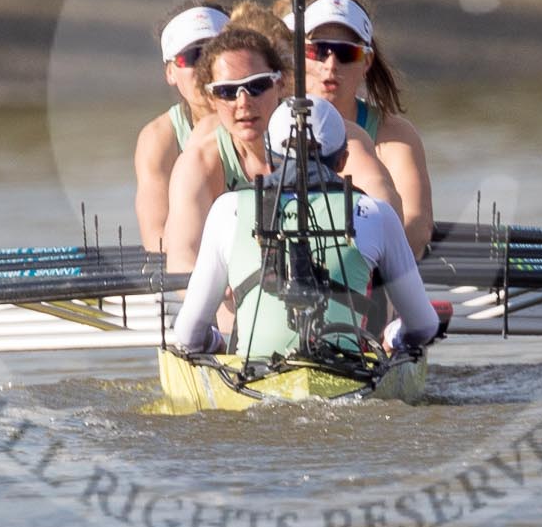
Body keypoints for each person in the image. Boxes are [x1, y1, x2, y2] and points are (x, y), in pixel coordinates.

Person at [170, 98, 440, 359]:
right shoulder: (376, 213)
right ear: (343, 159)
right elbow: (424, 326)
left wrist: (215, 343)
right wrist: (395, 337)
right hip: (348, 374)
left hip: (253, 379)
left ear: (269, 155)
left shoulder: (227, 209)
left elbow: (187, 336)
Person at [161, 2, 399, 277]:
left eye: (257, 85)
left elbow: (384, 208)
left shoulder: (332, 133)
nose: (243, 103)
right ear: (212, 96)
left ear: (281, 82)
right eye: (227, 91)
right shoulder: (201, 154)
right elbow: (181, 258)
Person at [280, 0, 434, 255]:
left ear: (366, 62)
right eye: (318, 50)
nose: (330, 65)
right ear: (299, 55)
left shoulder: (395, 136)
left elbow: (416, 228)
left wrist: (354, 268)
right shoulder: (272, 123)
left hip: (369, 273)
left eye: (345, 53)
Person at [132, 0, 229, 253]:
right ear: (170, 72)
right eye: (192, 56)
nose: (205, 66)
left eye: (214, 53)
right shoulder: (159, 138)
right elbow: (157, 239)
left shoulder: (266, 117)